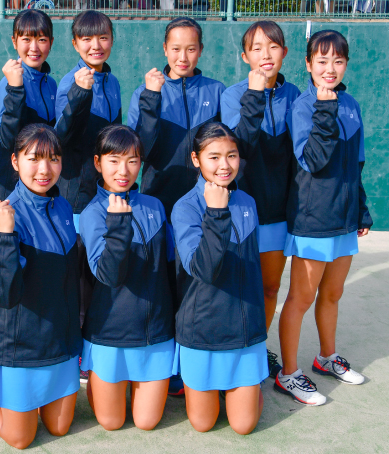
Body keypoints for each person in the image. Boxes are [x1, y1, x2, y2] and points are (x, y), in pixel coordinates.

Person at [0, 124, 81, 449]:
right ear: (15, 161)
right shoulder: (4, 216)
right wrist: (4, 235)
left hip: (59, 342)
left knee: (59, 428)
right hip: (21, 345)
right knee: (20, 438)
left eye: (53, 159)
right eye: (34, 159)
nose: (44, 170)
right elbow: (5, 293)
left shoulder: (62, 207)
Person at [127, 16, 225, 396]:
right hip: (158, 204)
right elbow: (141, 149)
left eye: (191, 48)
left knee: (197, 281)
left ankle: (194, 362)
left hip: (205, 205)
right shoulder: (146, 90)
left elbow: (225, 152)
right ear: (164, 50)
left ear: (200, 50)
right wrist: (151, 99)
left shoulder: (215, 91)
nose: (182, 56)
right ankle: (165, 365)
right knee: (164, 281)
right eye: (175, 48)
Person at [275, 30, 373, 406]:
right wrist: (325, 108)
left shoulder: (352, 103)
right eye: (322, 61)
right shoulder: (303, 105)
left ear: (346, 64)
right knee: (301, 298)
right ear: (308, 64)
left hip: (345, 219)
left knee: (332, 295)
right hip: (313, 218)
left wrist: (360, 208)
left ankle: (326, 358)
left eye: (338, 61)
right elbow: (312, 161)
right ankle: (288, 374)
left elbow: (357, 163)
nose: (330, 68)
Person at [171, 122, 268, 434]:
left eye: (232, 155)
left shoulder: (249, 203)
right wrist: (216, 213)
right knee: (203, 424)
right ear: (196, 160)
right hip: (203, 331)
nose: (224, 165)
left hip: (245, 331)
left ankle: (245, 386)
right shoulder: (185, 207)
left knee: (244, 426)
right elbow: (203, 270)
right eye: (213, 157)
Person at [78, 125, 175, 431]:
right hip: (109, 335)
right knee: (111, 422)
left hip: (155, 335)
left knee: (146, 422)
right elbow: (108, 275)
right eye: (114, 160)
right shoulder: (92, 213)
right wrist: (118, 224)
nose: (124, 170)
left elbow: (171, 269)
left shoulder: (156, 207)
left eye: (133, 161)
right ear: (98, 163)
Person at [221, 21, 301, 379]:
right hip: (240, 212)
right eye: (256, 48)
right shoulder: (231, 95)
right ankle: (229, 347)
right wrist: (253, 95)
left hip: (278, 214)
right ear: (245, 56)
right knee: (235, 287)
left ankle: (257, 346)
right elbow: (242, 149)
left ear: (284, 52)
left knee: (270, 288)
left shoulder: (296, 94)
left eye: (273, 47)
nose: (265, 55)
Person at [55, 10, 122, 380]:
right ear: (75, 44)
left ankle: (94, 344)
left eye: (103, 38)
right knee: (80, 277)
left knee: (97, 273)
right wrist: (80, 93)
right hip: (76, 196)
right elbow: (60, 138)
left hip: (101, 192)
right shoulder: (72, 82)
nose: (95, 46)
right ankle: (78, 354)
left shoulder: (111, 81)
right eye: (86, 39)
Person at [0, 9, 58, 316]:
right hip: (8, 191)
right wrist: (14, 88)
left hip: (40, 192)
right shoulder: (10, 81)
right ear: (15, 41)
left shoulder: (52, 85)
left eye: (41, 39)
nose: (34, 47)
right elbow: (6, 137)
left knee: (32, 269)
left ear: (51, 42)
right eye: (26, 39)